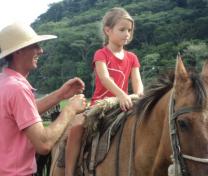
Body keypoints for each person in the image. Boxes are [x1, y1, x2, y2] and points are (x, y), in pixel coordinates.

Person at [64, 7, 144, 175]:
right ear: (108, 30)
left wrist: (139, 96)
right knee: (77, 126)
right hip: (100, 104)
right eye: (122, 30)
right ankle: (70, 171)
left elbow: (137, 83)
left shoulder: (132, 57)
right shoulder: (101, 54)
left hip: (124, 104)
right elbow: (105, 78)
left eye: (129, 30)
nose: (127, 34)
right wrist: (121, 94)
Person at [0, 22, 87, 176]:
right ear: (18, 51)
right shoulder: (18, 89)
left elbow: (22, 114)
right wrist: (70, 109)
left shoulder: (5, 82)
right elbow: (44, 144)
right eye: (34, 46)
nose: (40, 51)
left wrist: (60, 94)